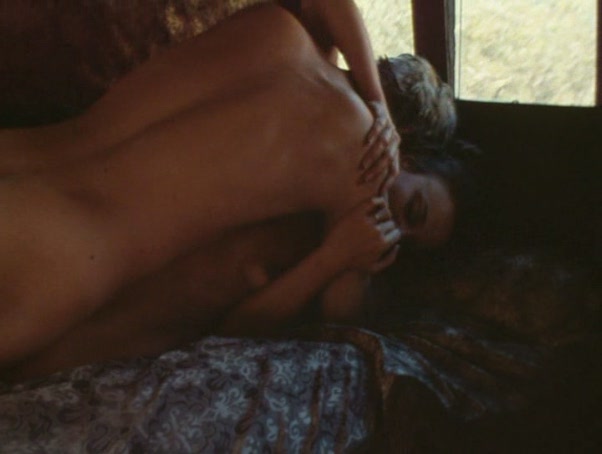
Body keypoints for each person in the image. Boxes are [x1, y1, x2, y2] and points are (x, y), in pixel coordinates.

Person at [0, 2, 462, 380]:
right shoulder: (362, 166)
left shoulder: (284, 31)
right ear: (405, 150)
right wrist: (346, 257)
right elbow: (340, 322)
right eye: (414, 210)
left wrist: (376, 100)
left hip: (22, 156)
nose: (393, 232)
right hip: (60, 252)